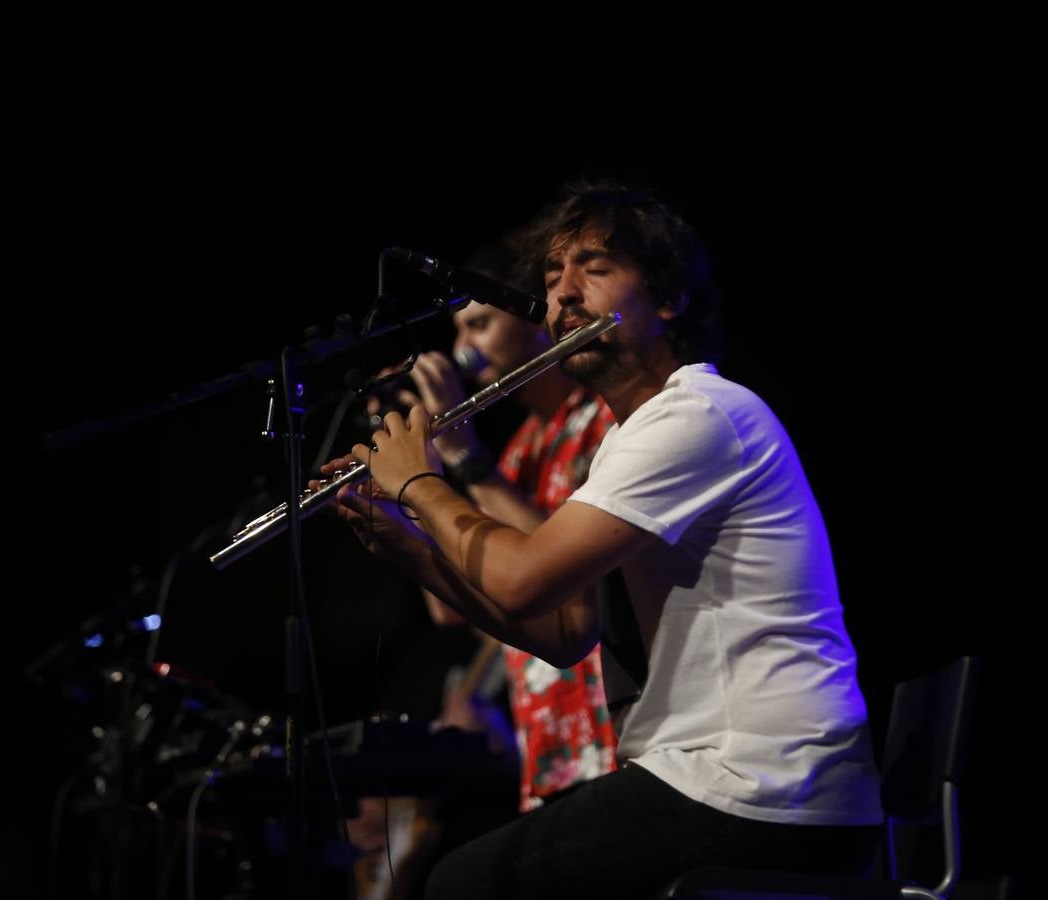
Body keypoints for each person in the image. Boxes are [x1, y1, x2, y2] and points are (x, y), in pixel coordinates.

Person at [318, 181, 883, 898]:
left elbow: (525, 579)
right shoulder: (628, 438)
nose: (563, 297)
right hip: (719, 778)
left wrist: (418, 483)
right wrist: (411, 548)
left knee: (460, 884)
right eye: (553, 279)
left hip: (767, 782)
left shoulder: (698, 414)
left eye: (595, 268)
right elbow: (563, 631)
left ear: (669, 299)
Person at [385, 243, 622, 812]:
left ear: (536, 319)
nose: (464, 349)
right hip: (545, 739)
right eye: (459, 331)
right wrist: (402, 502)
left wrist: (465, 461)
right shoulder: (517, 455)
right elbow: (453, 606)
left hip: (609, 727)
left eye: (481, 324)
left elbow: (552, 565)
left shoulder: (606, 423)